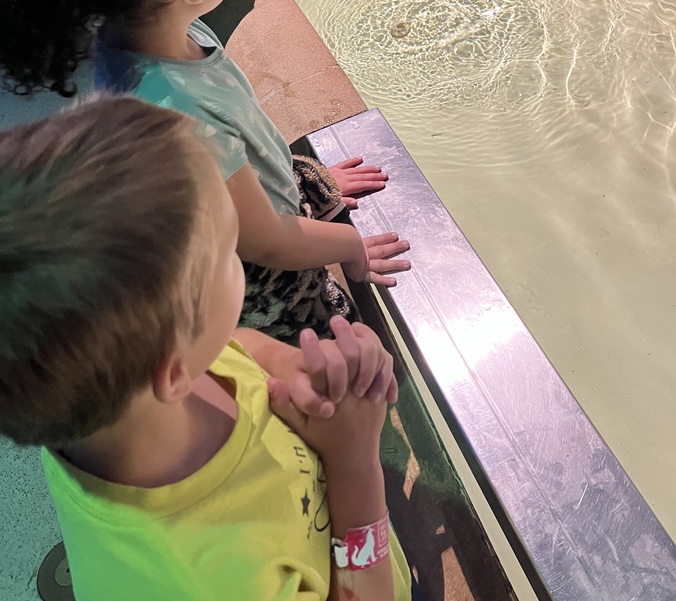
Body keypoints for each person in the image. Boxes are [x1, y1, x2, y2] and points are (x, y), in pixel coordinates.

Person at [0, 0, 411, 344]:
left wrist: (293, 175)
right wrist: (346, 248)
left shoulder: (147, 29)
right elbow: (269, 244)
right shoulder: (174, 113)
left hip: (246, 202)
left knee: (292, 182)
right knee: (341, 350)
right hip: (257, 271)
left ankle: (301, 184)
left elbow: (235, 132)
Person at [0, 94, 412, 600]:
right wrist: (354, 464)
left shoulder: (100, 389)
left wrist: (289, 365)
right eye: (228, 252)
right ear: (172, 368)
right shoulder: (203, 580)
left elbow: (232, 344)